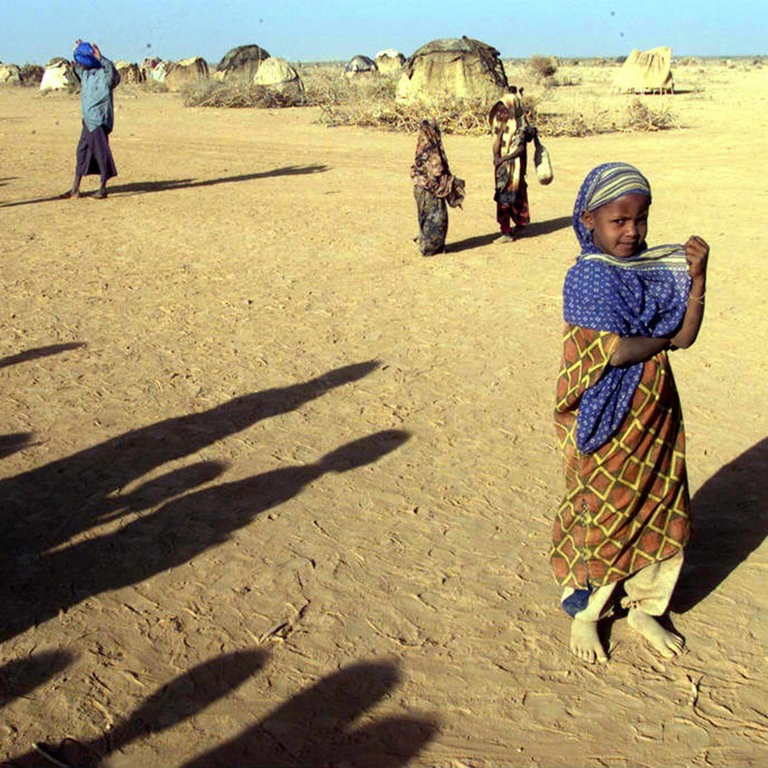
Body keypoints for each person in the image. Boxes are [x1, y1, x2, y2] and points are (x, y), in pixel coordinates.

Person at [550, 162, 710, 664]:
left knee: (662, 507)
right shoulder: (587, 278)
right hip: (608, 417)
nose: (631, 232)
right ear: (588, 220)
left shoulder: (658, 269)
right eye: (618, 222)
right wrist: (661, 339)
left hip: (657, 412)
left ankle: (646, 606)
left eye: (639, 220)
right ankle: (589, 613)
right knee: (608, 509)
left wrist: (698, 278)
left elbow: (685, 336)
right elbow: (615, 352)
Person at [61, 40, 120, 199]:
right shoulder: (86, 74)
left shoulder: (105, 76)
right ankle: (75, 189)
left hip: (99, 120)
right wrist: (75, 51)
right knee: (82, 152)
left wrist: (101, 58)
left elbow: (113, 75)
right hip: (88, 120)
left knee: (101, 154)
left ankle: (102, 188)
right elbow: (76, 69)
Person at [410, 119, 465, 256]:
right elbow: (437, 171)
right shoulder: (432, 150)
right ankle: (430, 248)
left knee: (425, 217)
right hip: (430, 190)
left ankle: (426, 243)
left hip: (420, 187)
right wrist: (450, 183)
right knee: (437, 219)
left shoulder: (421, 147)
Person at [489, 88, 534, 243]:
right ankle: (520, 223)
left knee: (504, 197)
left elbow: (520, 149)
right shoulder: (503, 125)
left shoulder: (519, 126)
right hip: (505, 166)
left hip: (512, 167)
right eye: (500, 109)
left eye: (504, 109)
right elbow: (496, 142)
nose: (501, 112)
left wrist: (503, 159)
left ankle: (506, 232)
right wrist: (496, 157)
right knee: (515, 193)